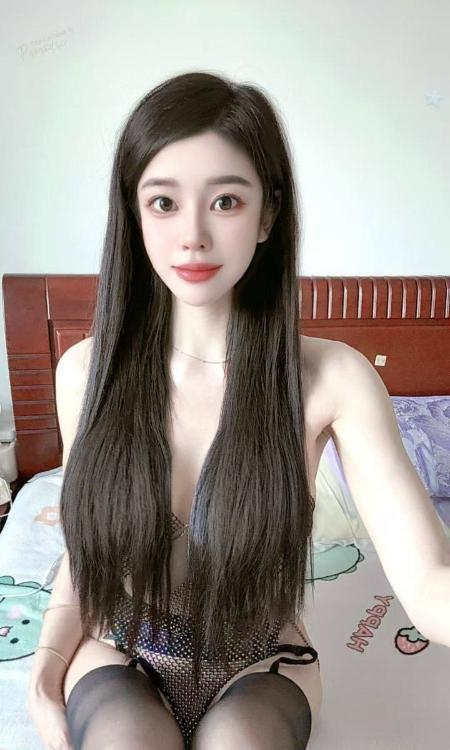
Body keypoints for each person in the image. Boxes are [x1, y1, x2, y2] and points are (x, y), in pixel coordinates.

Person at [27, 70, 450, 750]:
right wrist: (46, 669)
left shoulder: (333, 379)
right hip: (120, 647)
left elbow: (430, 584)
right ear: (134, 214)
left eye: (225, 200)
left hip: (261, 660)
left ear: (267, 215)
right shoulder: (86, 374)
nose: (192, 235)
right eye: (163, 203)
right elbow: (87, 551)